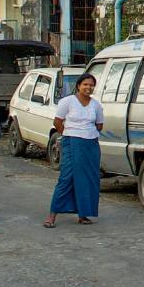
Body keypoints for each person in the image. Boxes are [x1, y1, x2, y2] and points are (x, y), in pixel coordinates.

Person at [46, 72, 103, 226]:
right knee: (67, 177)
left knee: (88, 179)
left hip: (91, 144)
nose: (88, 87)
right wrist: (69, 134)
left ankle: (83, 214)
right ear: (78, 86)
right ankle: (52, 216)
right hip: (71, 142)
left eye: (91, 85)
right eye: (85, 84)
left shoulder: (96, 105)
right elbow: (57, 122)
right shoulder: (67, 101)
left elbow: (99, 125)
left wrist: (87, 132)